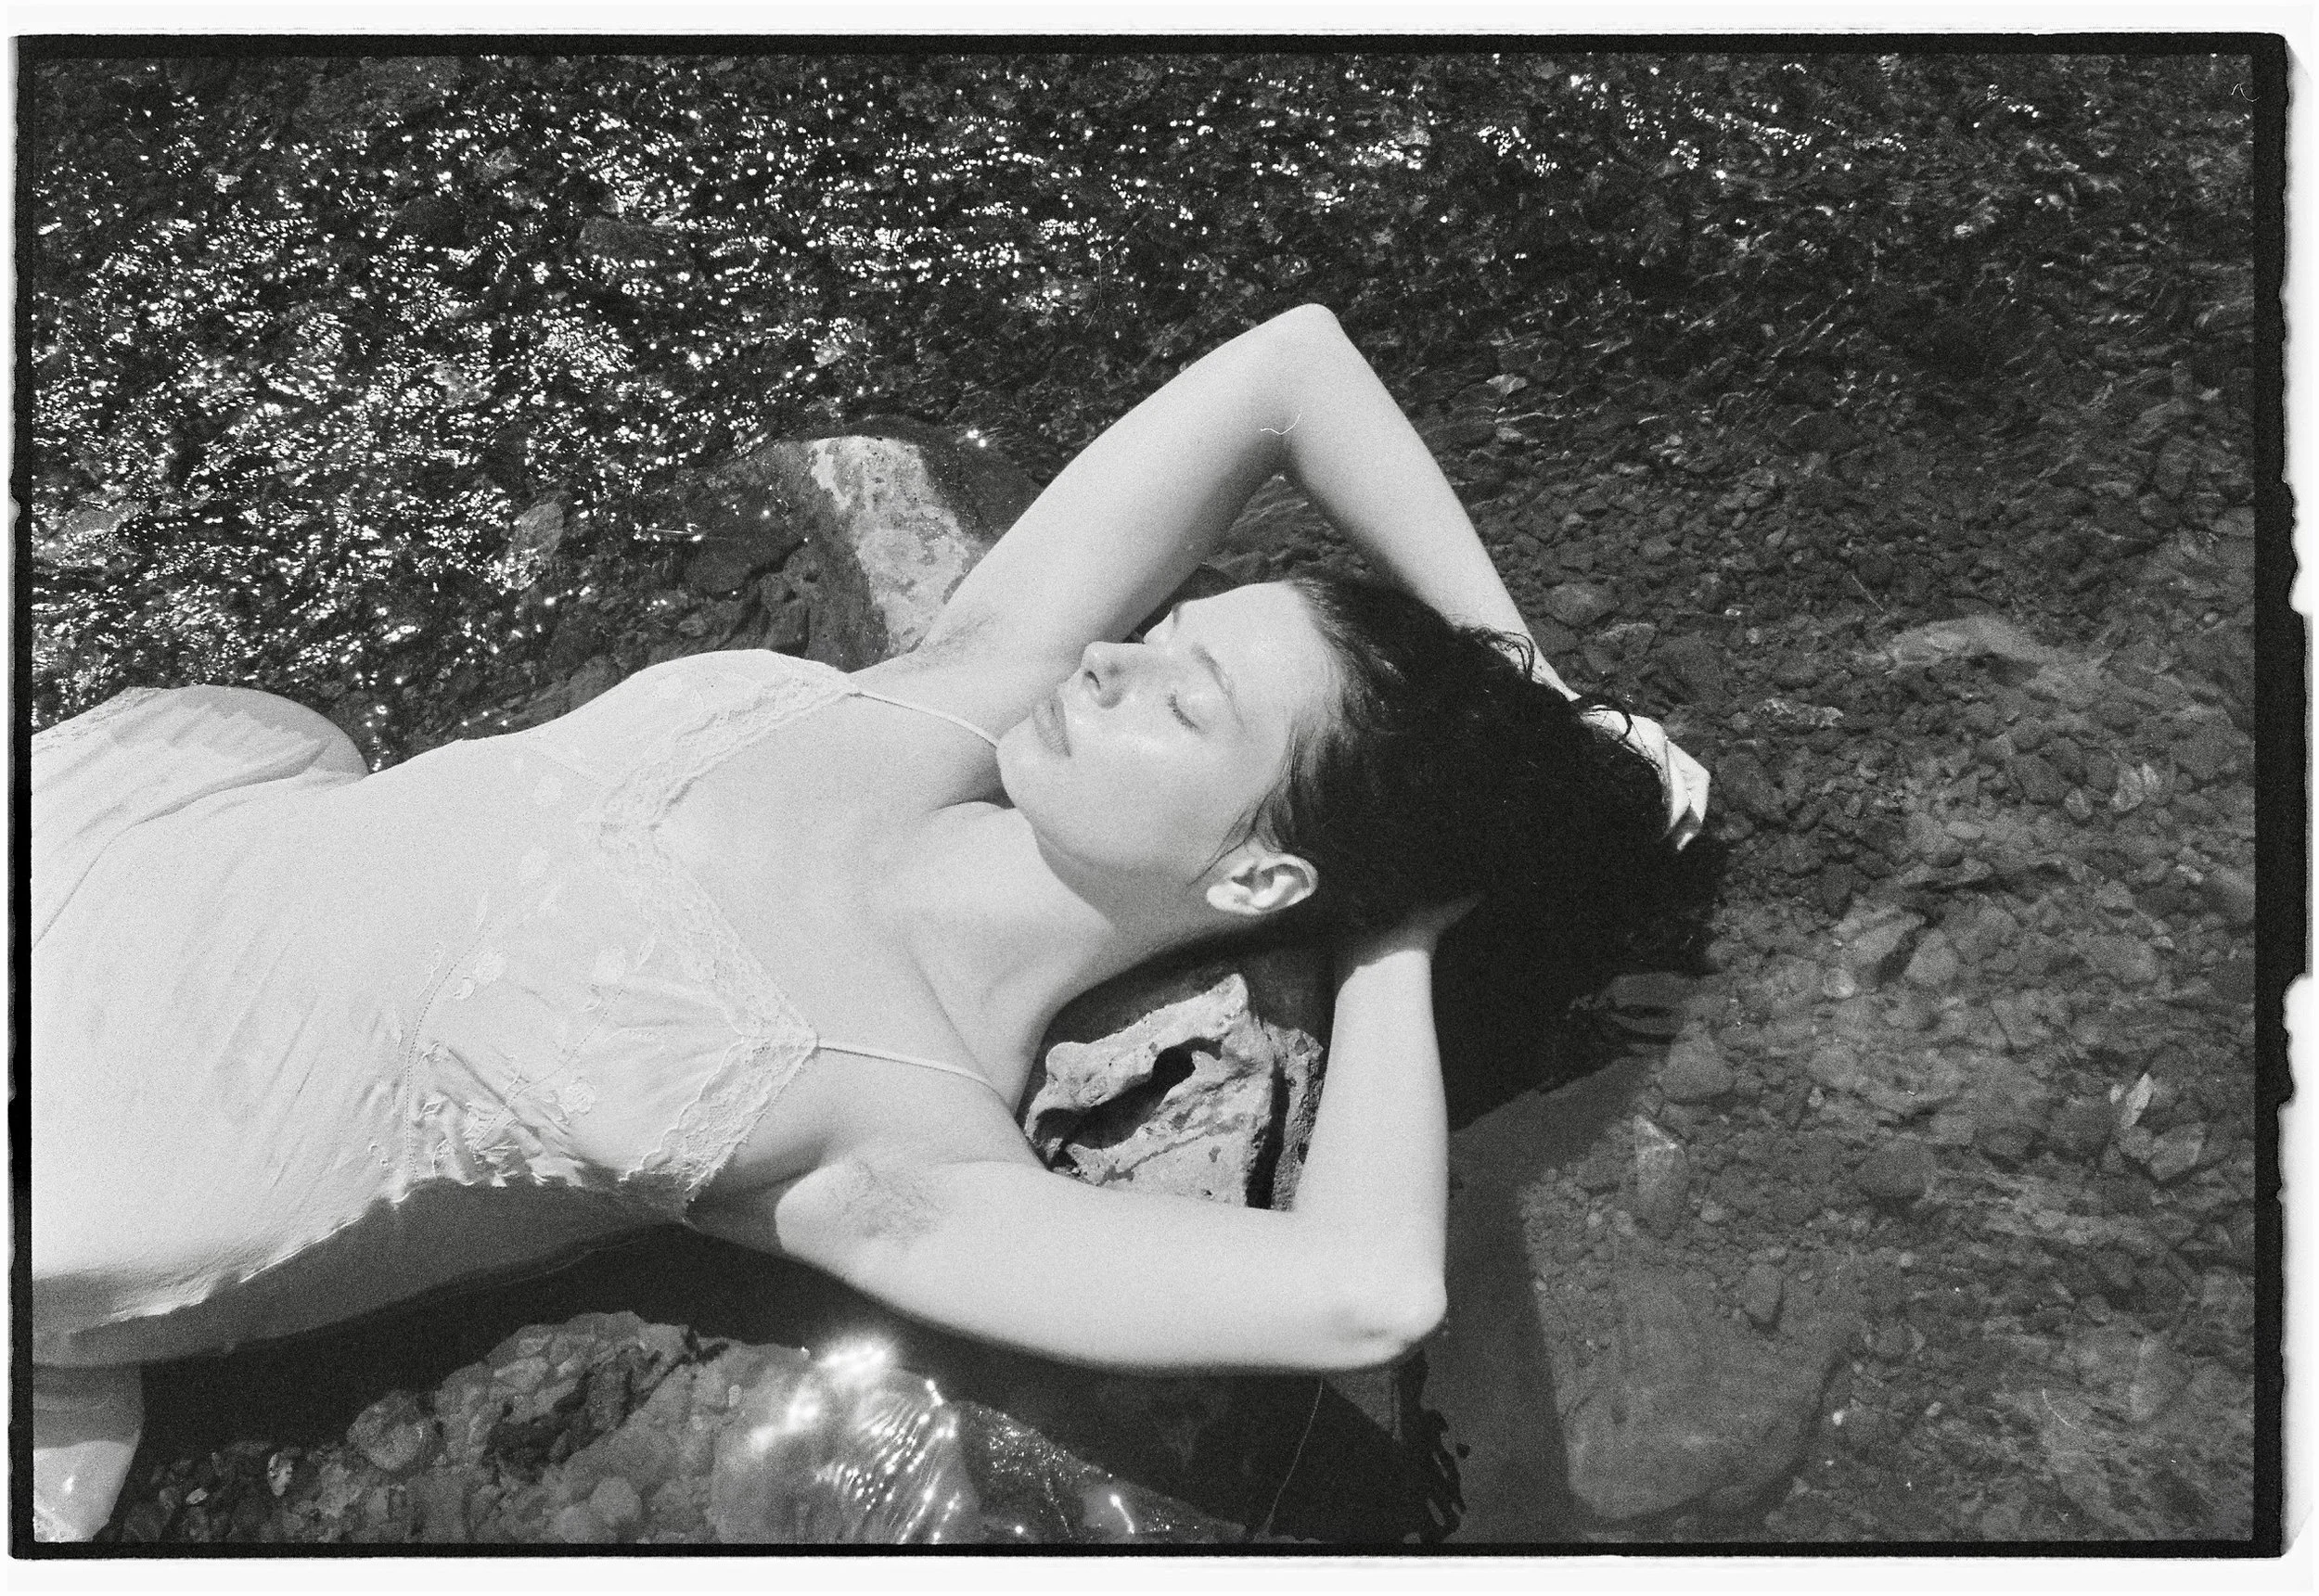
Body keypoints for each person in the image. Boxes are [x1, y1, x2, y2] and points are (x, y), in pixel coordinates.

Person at [29, 304, 1707, 1540]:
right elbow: (1293, 367)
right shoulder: (956, 698)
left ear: (1261, 881)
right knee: (272, 734)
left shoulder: (887, 1132)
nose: (1110, 655)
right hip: (111, 853)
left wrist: (1397, 936)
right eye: (1168, 628)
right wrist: (1542, 698)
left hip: (80, 1160)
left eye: (1182, 703)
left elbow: (1368, 1292)